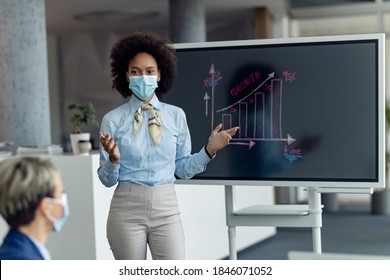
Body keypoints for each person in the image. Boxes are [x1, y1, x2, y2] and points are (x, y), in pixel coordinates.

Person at [98, 31, 239, 260]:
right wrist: (114, 160)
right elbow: (106, 180)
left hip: (166, 209)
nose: (143, 77)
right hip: (126, 210)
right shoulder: (113, 120)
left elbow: (182, 169)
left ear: (160, 74)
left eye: (149, 71)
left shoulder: (176, 116)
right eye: (135, 72)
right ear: (126, 75)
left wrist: (209, 149)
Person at [0, 157, 69, 260]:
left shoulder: (17, 250)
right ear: (46, 207)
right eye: (61, 193)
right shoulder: (22, 258)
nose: (64, 199)